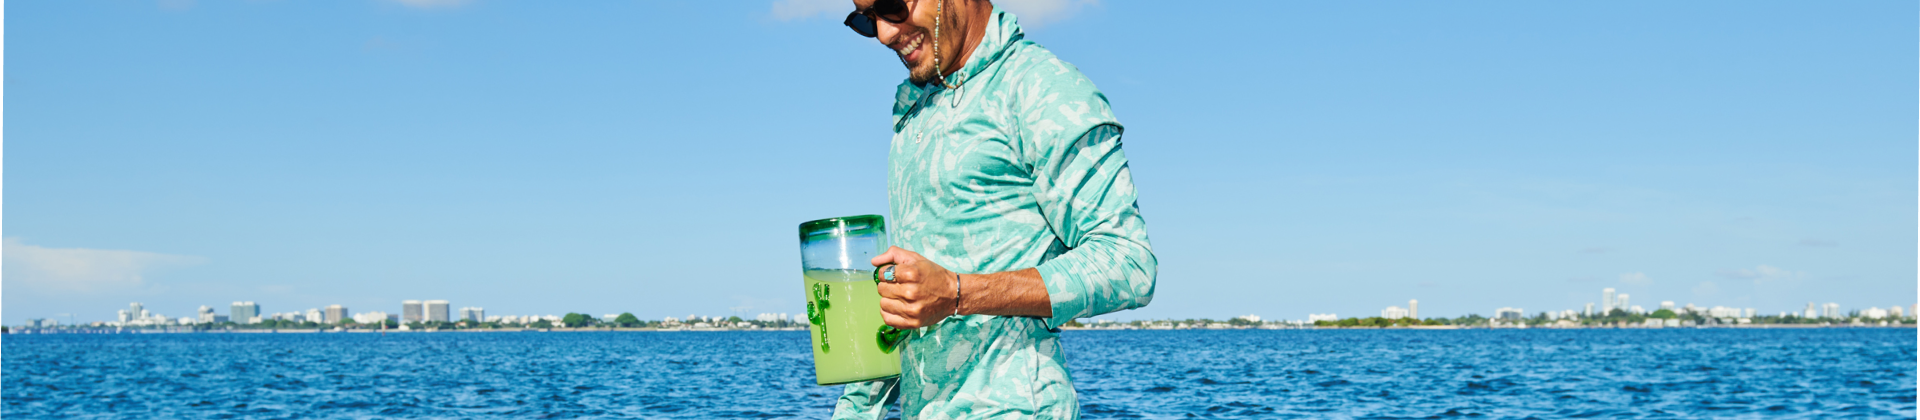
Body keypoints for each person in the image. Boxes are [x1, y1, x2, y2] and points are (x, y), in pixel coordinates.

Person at [834, 0, 1156, 418]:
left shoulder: (1041, 87)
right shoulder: (916, 110)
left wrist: (956, 293)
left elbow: (1128, 264)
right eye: (865, 19)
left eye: (893, 7)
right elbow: (912, 303)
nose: (884, 33)